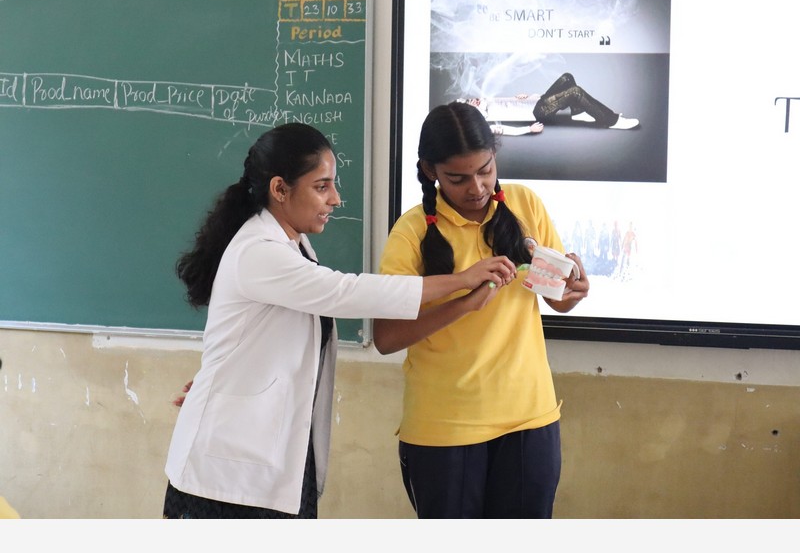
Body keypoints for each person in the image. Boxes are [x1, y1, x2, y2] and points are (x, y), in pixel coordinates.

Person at [162, 122, 516, 519]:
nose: (335, 199)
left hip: (265, 461)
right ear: (280, 189)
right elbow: (345, 292)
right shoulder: (259, 250)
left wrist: (225, 376)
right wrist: (462, 280)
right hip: (226, 476)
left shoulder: (293, 245)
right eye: (321, 186)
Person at [373, 101, 591, 519]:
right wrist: (464, 299)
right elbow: (385, 337)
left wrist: (573, 290)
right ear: (430, 171)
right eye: (458, 178)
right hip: (445, 427)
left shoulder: (525, 204)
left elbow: (557, 299)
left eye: (485, 170)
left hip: (530, 417)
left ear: (495, 156)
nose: (476, 187)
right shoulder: (411, 231)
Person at [460, 71, 639, 135]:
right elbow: (505, 130)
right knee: (575, 91)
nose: (473, 99)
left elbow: (514, 103)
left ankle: (579, 113)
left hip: (537, 101)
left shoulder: (488, 101)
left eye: (470, 98)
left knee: (567, 78)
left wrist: (524, 97)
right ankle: (611, 120)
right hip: (538, 112)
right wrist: (528, 129)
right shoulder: (483, 120)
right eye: (470, 103)